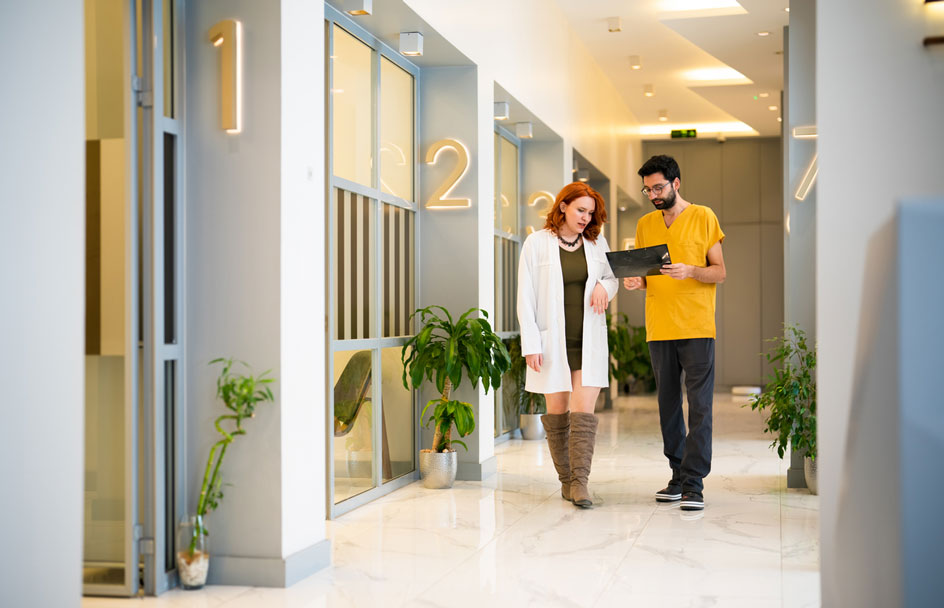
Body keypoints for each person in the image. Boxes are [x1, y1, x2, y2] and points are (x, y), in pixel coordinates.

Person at [623, 155, 726, 511]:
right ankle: (678, 474)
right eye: (647, 189)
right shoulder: (645, 224)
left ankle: (694, 483)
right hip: (659, 327)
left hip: (697, 326)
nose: (652, 194)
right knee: (668, 405)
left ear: (676, 183)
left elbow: (720, 272)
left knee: (699, 406)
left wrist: (693, 271)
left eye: (658, 187)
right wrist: (638, 281)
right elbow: (644, 272)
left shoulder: (704, 216)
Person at [517, 182, 618, 508]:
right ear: (563, 206)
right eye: (580, 210)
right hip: (552, 343)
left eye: (590, 213)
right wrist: (531, 343)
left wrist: (605, 285)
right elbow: (525, 298)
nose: (586, 218)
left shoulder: (597, 242)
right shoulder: (537, 243)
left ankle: (581, 483)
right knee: (558, 414)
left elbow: (613, 275)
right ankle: (566, 481)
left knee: (583, 414)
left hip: (587, 342)